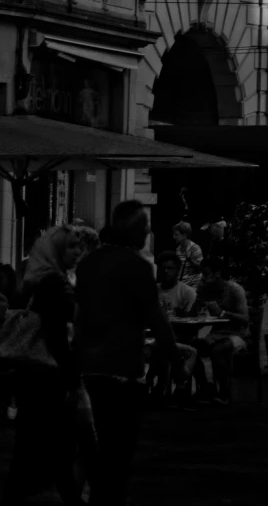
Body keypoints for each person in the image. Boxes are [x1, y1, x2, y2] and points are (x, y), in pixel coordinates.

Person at [72, 201, 177, 506]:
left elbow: (79, 317)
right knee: (118, 453)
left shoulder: (88, 265)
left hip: (89, 370)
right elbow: (156, 318)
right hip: (122, 372)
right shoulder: (138, 267)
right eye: (144, 224)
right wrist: (174, 361)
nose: (148, 230)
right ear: (131, 229)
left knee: (94, 446)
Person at [1, 226, 85, 506]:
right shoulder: (53, 283)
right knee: (53, 444)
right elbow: (57, 336)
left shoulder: (40, 279)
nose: (78, 252)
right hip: (46, 375)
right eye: (72, 246)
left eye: (79, 246)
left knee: (39, 444)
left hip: (35, 374)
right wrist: (74, 380)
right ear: (57, 250)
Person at [194, 260, 250, 403]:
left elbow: (245, 318)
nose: (203, 278)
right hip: (215, 334)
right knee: (191, 348)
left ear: (217, 274)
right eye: (202, 274)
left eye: (206, 274)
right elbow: (194, 315)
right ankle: (205, 386)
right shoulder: (205, 289)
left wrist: (223, 313)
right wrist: (197, 299)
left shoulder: (234, 289)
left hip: (238, 334)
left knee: (217, 349)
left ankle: (224, 393)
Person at [152, 255, 201, 399]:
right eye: (163, 268)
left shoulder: (187, 292)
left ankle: (165, 386)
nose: (166, 271)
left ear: (178, 271)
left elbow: (194, 323)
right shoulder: (153, 291)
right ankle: (164, 386)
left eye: (170, 268)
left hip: (181, 337)